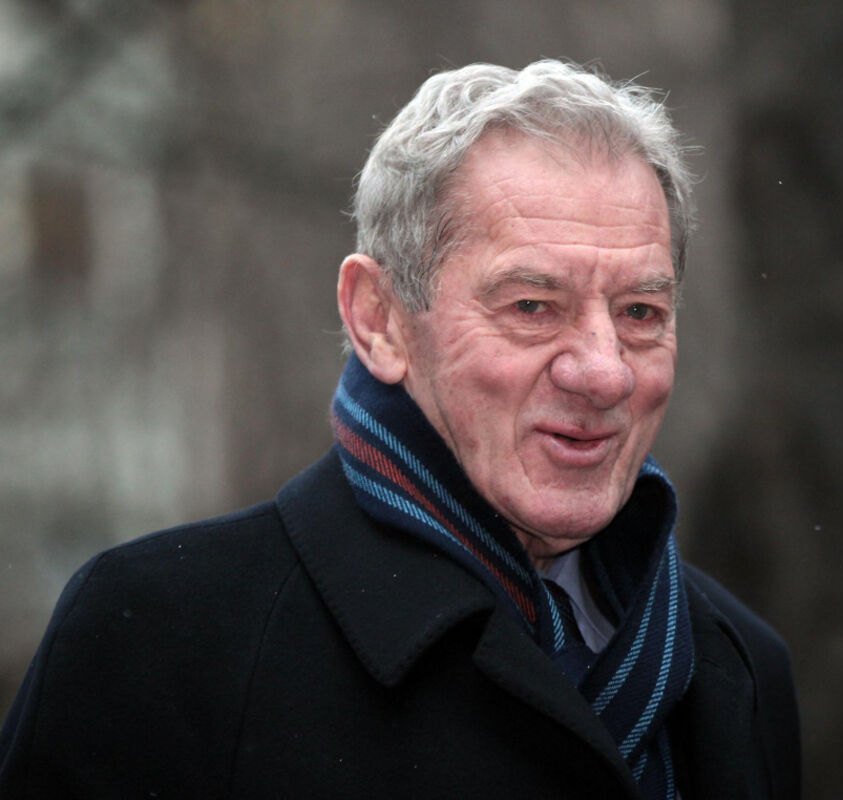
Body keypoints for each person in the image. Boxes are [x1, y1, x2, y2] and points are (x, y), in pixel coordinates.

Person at [0, 60, 801, 799]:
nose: (605, 371)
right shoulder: (161, 640)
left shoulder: (738, 668)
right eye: (532, 307)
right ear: (379, 320)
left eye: (641, 313)